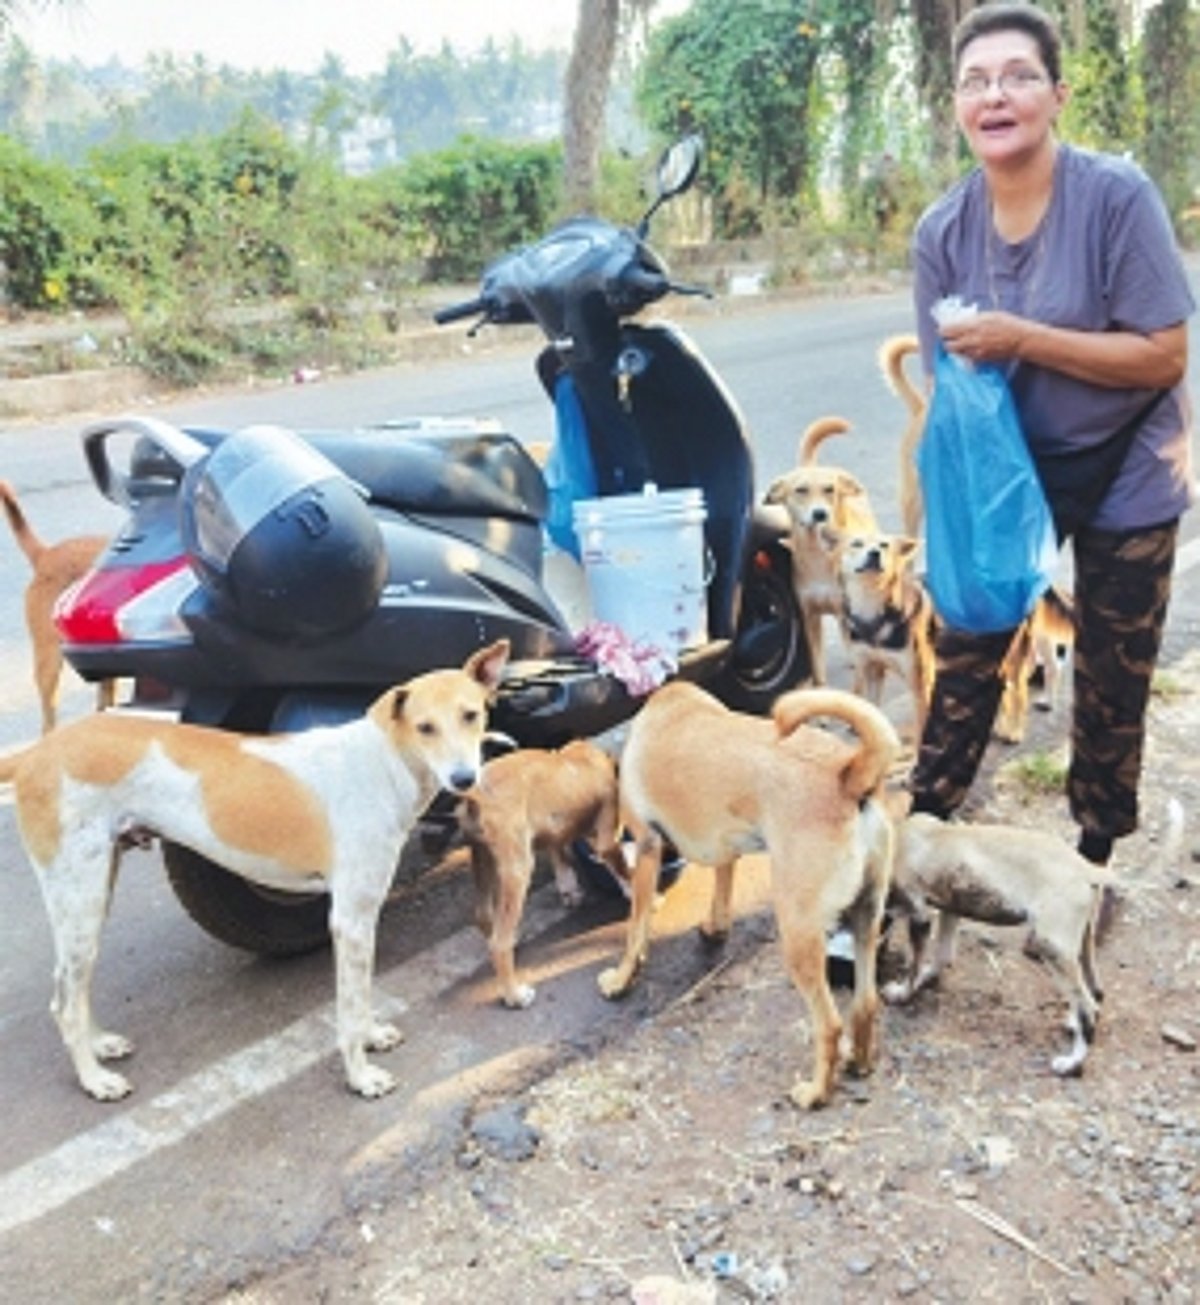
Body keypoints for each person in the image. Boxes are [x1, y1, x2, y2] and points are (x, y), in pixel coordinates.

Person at [906, 2, 1195, 907]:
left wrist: (1024, 337)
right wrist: (940, 525)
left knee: (1112, 678)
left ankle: (1091, 863)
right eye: (975, 80)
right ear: (955, 103)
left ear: (1058, 94)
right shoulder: (942, 233)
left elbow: (1165, 352)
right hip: (1007, 478)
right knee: (965, 649)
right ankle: (913, 842)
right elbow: (952, 401)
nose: (997, 95)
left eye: (1019, 76)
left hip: (1129, 463)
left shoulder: (1115, 198)